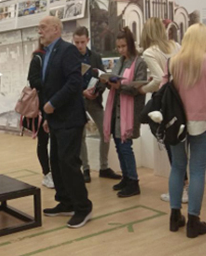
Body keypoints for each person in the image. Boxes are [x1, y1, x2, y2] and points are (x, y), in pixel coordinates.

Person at [162, 23, 206, 239]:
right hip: (203, 122)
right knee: (197, 170)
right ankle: (193, 222)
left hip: (175, 123)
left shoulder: (173, 61)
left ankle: (174, 217)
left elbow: (163, 90)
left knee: (177, 167)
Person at [39, 16, 93, 228]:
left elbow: (74, 82)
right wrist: (47, 116)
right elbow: (49, 86)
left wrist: (53, 104)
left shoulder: (67, 50)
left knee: (69, 163)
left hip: (70, 118)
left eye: (43, 28)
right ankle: (66, 201)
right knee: (56, 162)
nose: (40, 31)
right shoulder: (48, 53)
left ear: (55, 29)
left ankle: (83, 207)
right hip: (56, 119)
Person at [139, 17, 188, 203]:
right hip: (182, 99)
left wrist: (143, 89)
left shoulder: (150, 52)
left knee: (171, 143)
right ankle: (184, 187)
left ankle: (181, 189)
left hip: (167, 103)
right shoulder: (176, 46)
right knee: (179, 144)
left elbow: (160, 79)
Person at [103, 27, 148, 198]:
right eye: (118, 47)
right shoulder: (120, 61)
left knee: (125, 146)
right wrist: (108, 82)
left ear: (130, 45)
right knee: (118, 144)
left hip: (130, 110)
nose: (121, 50)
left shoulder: (139, 62)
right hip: (116, 107)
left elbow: (139, 87)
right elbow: (115, 79)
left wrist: (120, 86)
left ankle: (134, 181)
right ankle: (126, 177)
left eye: (123, 46)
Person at [73, 26, 120, 183]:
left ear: (88, 40)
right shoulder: (70, 57)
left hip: (94, 99)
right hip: (78, 101)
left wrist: (98, 90)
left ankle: (104, 167)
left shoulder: (95, 57)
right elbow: (69, 82)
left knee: (106, 130)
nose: (79, 45)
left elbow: (102, 77)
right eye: (76, 42)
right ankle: (85, 168)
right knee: (81, 135)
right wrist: (82, 92)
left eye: (82, 42)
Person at [27, 39, 53, 188]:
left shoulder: (58, 56)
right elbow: (33, 81)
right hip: (42, 106)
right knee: (43, 140)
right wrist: (51, 81)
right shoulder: (38, 58)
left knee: (56, 141)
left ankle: (56, 171)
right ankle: (47, 173)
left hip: (57, 104)